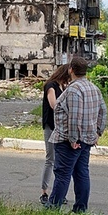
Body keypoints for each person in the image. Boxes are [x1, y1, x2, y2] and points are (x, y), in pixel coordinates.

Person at [46, 56, 107, 212]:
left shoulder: (73, 89)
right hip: (87, 138)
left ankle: (53, 207)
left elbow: (74, 116)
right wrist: (98, 132)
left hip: (69, 140)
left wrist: (73, 139)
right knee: (81, 173)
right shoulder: (94, 88)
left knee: (63, 174)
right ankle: (80, 208)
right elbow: (103, 112)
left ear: (71, 69)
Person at [39, 65, 71, 205]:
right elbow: (54, 104)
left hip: (62, 127)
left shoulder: (63, 87)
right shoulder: (51, 85)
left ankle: (59, 192)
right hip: (51, 126)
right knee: (50, 159)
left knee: (61, 161)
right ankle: (44, 192)